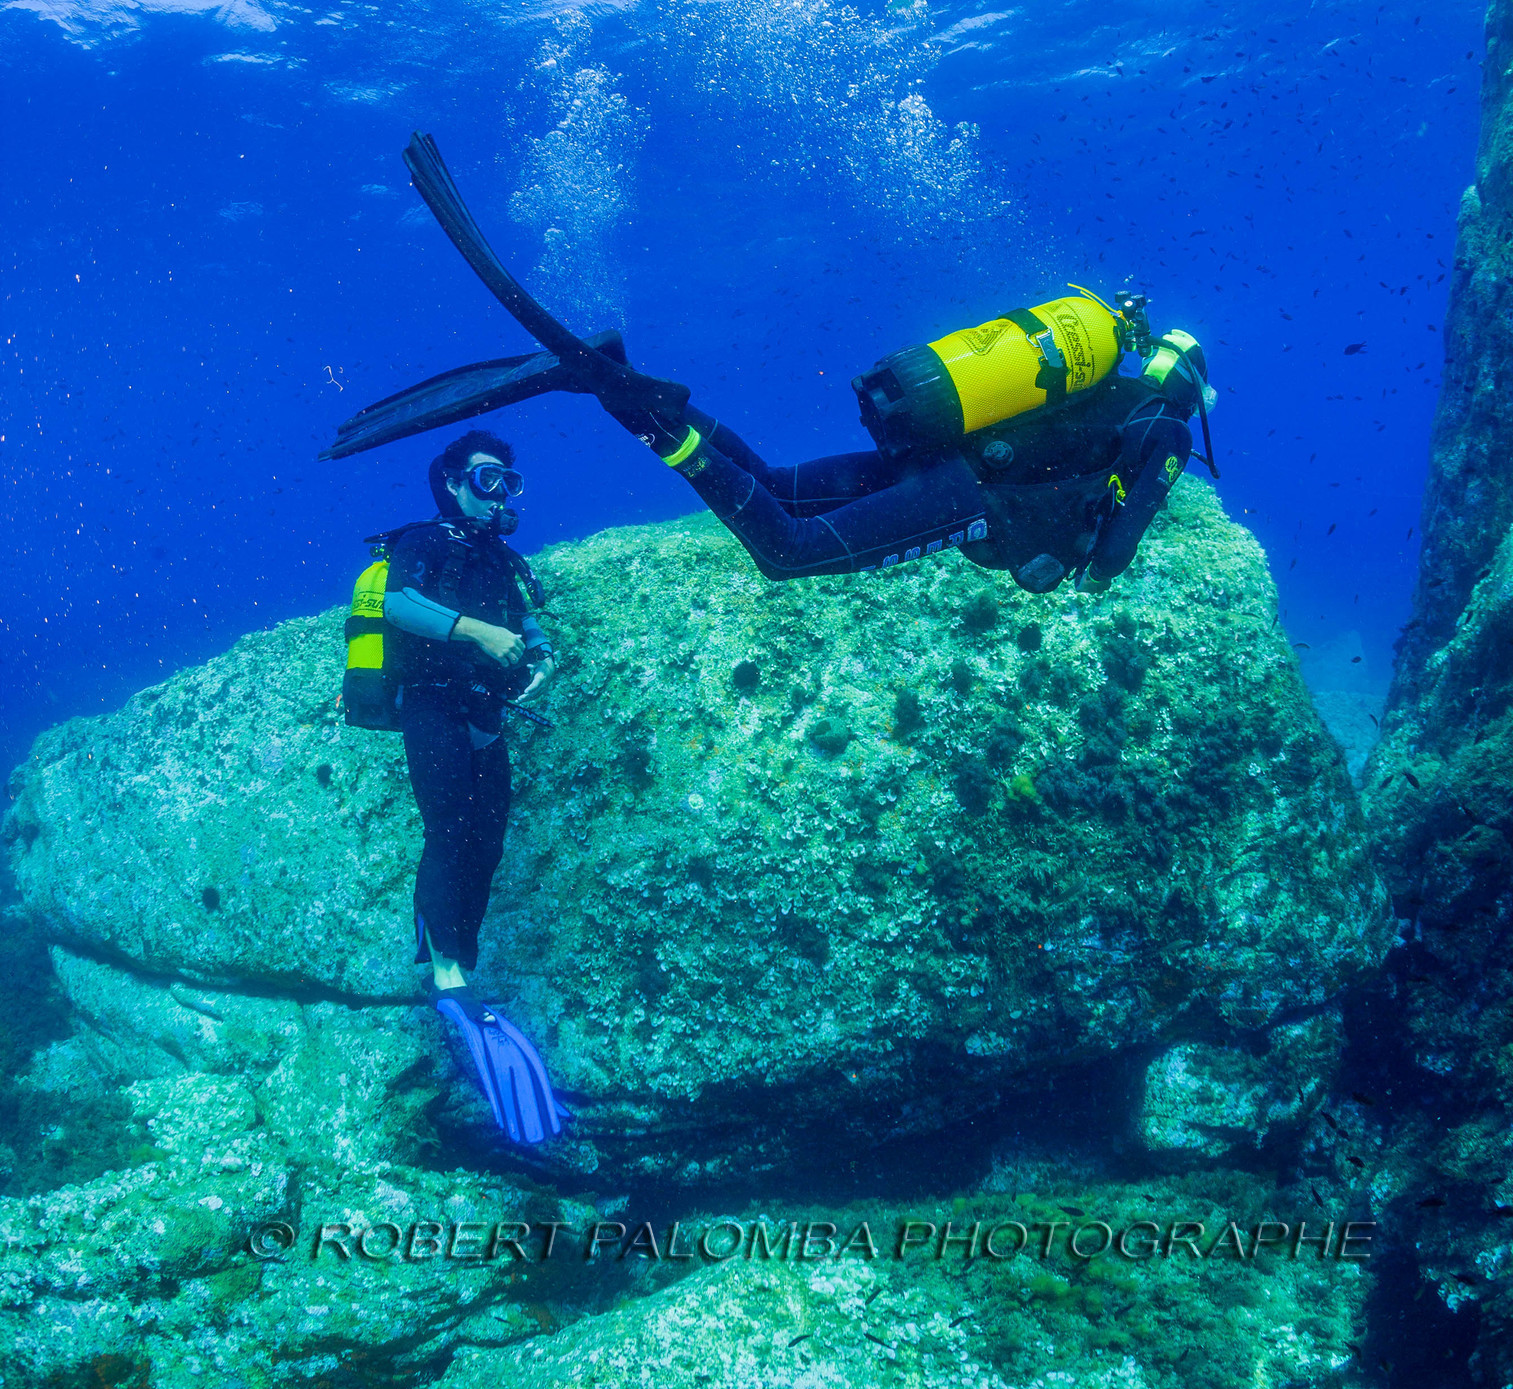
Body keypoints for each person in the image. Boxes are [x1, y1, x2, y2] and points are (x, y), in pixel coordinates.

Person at [325, 136, 1216, 600]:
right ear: (1187, 386)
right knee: (785, 549)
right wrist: (1086, 551)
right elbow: (1113, 556)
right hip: (971, 499)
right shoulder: (1163, 424)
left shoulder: (1100, 376)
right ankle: (635, 403)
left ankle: (619, 383)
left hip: (944, 457)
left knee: (783, 483)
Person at [380, 427, 567, 1148]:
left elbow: (530, 620)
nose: (502, 495)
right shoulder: (422, 541)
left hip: (486, 709)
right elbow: (399, 605)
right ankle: (445, 965)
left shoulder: (503, 557)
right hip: (430, 702)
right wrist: (476, 634)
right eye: (490, 480)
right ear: (454, 482)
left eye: (509, 482)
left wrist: (538, 657)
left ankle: (465, 961)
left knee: (489, 836)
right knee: (449, 828)